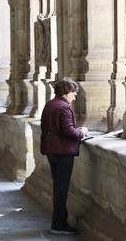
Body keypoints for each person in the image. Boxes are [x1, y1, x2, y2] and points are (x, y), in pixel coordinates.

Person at [40, 77, 88, 236]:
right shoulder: (64, 107)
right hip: (63, 152)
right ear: (67, 92)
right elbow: (68, 131)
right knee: (61, 189)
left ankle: (59, 222)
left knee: (58, 188)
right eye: (74, 93)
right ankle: (59, 224)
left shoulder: (50, 104)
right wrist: (82, 132)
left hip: (52, 151)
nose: (75, 96)